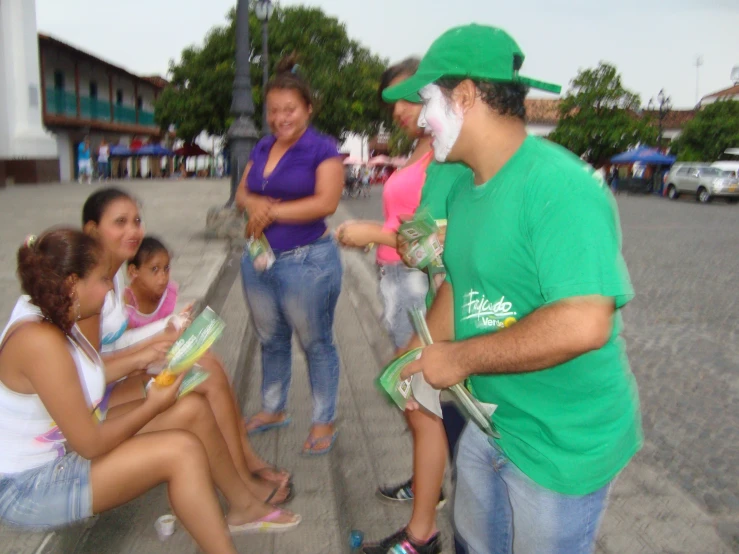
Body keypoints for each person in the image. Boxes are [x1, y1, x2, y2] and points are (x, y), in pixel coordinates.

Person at [384, 24, 642, 554]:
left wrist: (457, 360)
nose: (421, 119)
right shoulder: (462, 186)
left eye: (426, 101)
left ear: (466, 96)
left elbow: (584, 322)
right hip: (492, 423)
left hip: (560, 444)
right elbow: (462, 286)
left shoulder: (558, 186)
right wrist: (419, 350)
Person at [0, 229, 300, 553]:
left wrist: (142, 358)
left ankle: (243, 509)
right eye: (103, 281)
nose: (107, 292)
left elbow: (81, 377)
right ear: (73, 283)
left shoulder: (52, 309)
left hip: (65, 450)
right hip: (29, 486)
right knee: (181, 452)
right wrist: (152, 405)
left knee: (193, 409)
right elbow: (89, 443)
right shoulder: (40, 341)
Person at [77, 187, 295, 507]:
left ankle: (245, 460)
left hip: (109, 381)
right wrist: (153, 345)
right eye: (120, 222)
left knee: (208, 362)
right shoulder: (88, 285)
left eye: (136, 221)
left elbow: (112, 341)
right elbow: (88, 364)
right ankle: (242, 472)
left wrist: (161, 331)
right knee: (204, 371)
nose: (133, 230)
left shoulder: (116, 273)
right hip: (93, 400)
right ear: (92, 231)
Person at [337, 58, 471, 554]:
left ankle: (422, 532)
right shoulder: (423, 148)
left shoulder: (444, 156)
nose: (396, 110)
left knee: (417, 401)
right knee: (414, 400)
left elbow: (443, 233)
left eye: (408, 97)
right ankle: (428, 484)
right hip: (399, 280)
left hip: (421, 286)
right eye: (391, 101)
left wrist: (372, 233)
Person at [235, 54, 344, 455]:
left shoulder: (322, 148)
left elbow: (326, 202)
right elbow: (242, 193)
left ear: (308, 109)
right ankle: (273, 409)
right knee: (270, 339)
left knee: (317, 343)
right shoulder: (263, 146)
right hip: (260, 258)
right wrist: (253, 205)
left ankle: (323, 420)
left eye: (290, 110)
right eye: (274, 111)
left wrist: (271, 210)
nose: (281, 118)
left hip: (308, 261)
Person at [124, 236, 179, 329]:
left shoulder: (167, 295)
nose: (163, 277)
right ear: (133, 271)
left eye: (166, 268)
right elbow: (129, 342)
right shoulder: (125, 307)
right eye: (154, 269)